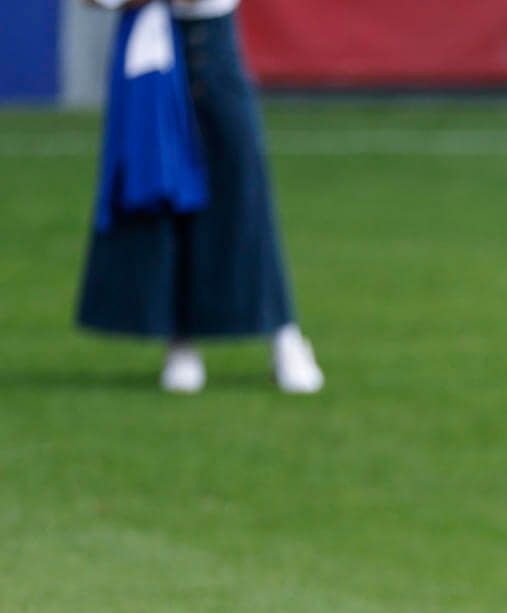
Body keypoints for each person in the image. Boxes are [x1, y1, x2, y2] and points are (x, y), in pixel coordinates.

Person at [77, 0, 323, 395]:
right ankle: (180, 340)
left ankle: (283, 336)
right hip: (150, 50)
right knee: (163, 193)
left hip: (210, 43)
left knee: (243, 194)